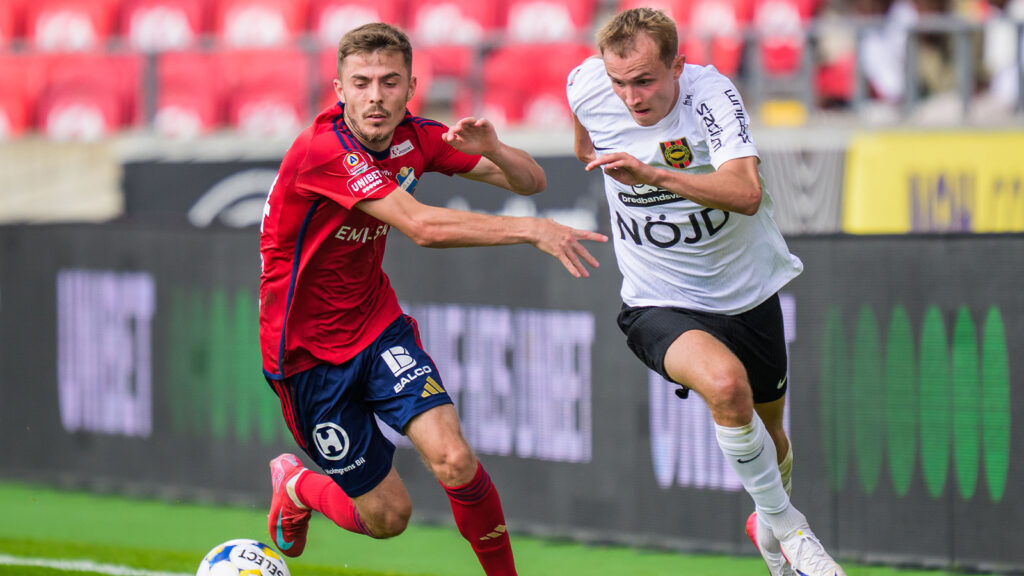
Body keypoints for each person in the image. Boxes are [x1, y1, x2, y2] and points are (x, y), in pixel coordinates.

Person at [258, 22, 607, 576]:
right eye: (363, 82)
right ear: (339, 89)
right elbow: (420, 225)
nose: (376, 96)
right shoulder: (321, 150)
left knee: (455, 459)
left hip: (376, 328)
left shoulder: (416, 136)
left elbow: (531, 181)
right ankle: (298, 486)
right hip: (305, 357)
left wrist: (495, 148)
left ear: (411, 86)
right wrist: (532, 231)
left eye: (390, 82)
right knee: (388, 517)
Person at [567, 8, 845, 576]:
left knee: (771, 436)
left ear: (678, 65)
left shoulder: (711, 94)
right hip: (657, 297)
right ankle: (793, 530)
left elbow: (745, 192)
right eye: (619, 82)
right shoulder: (585, 86)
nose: (630, 97)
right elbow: (584, 148)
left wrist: (654, 176)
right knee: (724, 385)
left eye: (645, 80)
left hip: (747, 291)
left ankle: (768, 525)